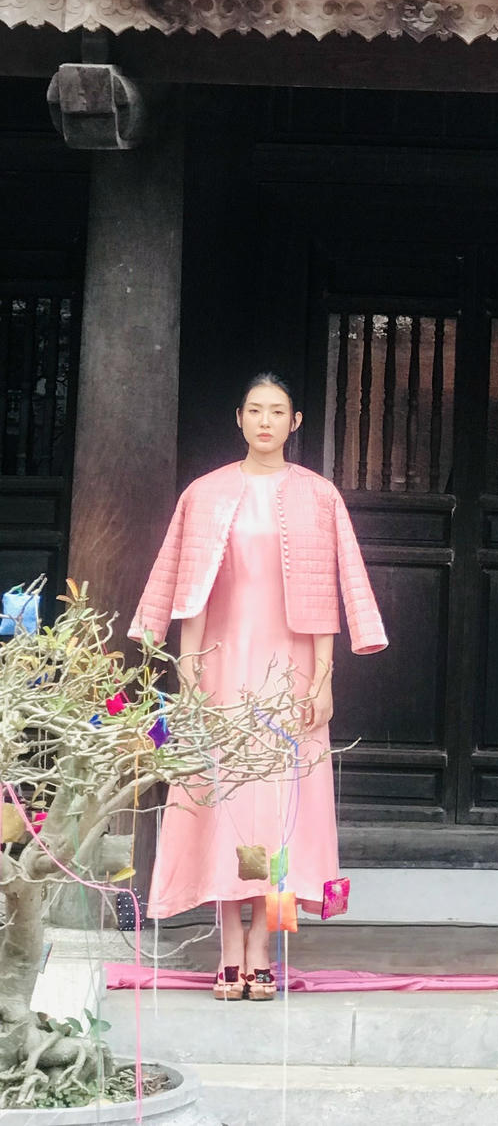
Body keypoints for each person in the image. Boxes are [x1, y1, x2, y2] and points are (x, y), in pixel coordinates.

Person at [130, 373, 387, 1001]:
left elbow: (327, 598)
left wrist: (322, 680)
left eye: (277, 412)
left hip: (289, 671)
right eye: (255, 410)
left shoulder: (319, 496)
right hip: (221, 667)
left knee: (281, 810)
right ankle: (228, 946)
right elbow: (188, 591)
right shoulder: (205, 493)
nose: (266, 421)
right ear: (238, 418)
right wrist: (187, 670)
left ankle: (264, 946)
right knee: (223, 802)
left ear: (294, 422)